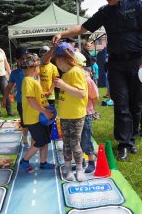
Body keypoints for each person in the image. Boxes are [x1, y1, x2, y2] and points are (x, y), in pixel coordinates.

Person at [53, 0, 142, 161]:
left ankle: (131, 140)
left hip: (137, 61)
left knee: (136, 103)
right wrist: (62, 34)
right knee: (121, 103)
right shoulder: (105, 12)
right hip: (116, 63)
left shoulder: (136, 4)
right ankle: (123, 144)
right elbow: (82, 27)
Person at [53, 42, 88, 181]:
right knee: (66, 143)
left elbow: (81, 94)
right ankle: (68, 169)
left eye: (56, 61)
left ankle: (79, 169)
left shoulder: (76, 72)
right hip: (65, 114)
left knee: (75, 143)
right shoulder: (66, 74)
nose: (57, 64)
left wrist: (63, 85)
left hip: (76, 115)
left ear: (61, 59)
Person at [19, 53, 55, 172]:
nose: (39, 68)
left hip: (40, 117)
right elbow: (31, 100)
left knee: (45, 140)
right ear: (34, 67)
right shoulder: (28, 80)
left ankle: (43, 162)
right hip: (33, 118)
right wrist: (45, 111)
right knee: (40, 141)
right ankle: (24, 160)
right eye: (38, 66)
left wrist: (47, 108)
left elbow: (38, 97)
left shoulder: (33, 80)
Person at [75, 52, 99, 173]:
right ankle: (81, 161)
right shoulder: (71, 79)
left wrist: (90, 109)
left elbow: (95, 97)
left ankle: (91, 161)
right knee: (77, 139)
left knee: (86, 138)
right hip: (75, 113)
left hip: (86, 114)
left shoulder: (87, 80)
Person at [2, 47, 28, 145]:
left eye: (26, 58)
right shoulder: (15, 73)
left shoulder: (33, 68)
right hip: (21, 102)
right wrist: (4, 99)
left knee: (35, 122)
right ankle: (25, 137)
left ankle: (36, 138)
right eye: (21, 59)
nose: (24, 60)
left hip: (33, 101)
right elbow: (9, 87)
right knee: (24, 121)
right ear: (16, 60)